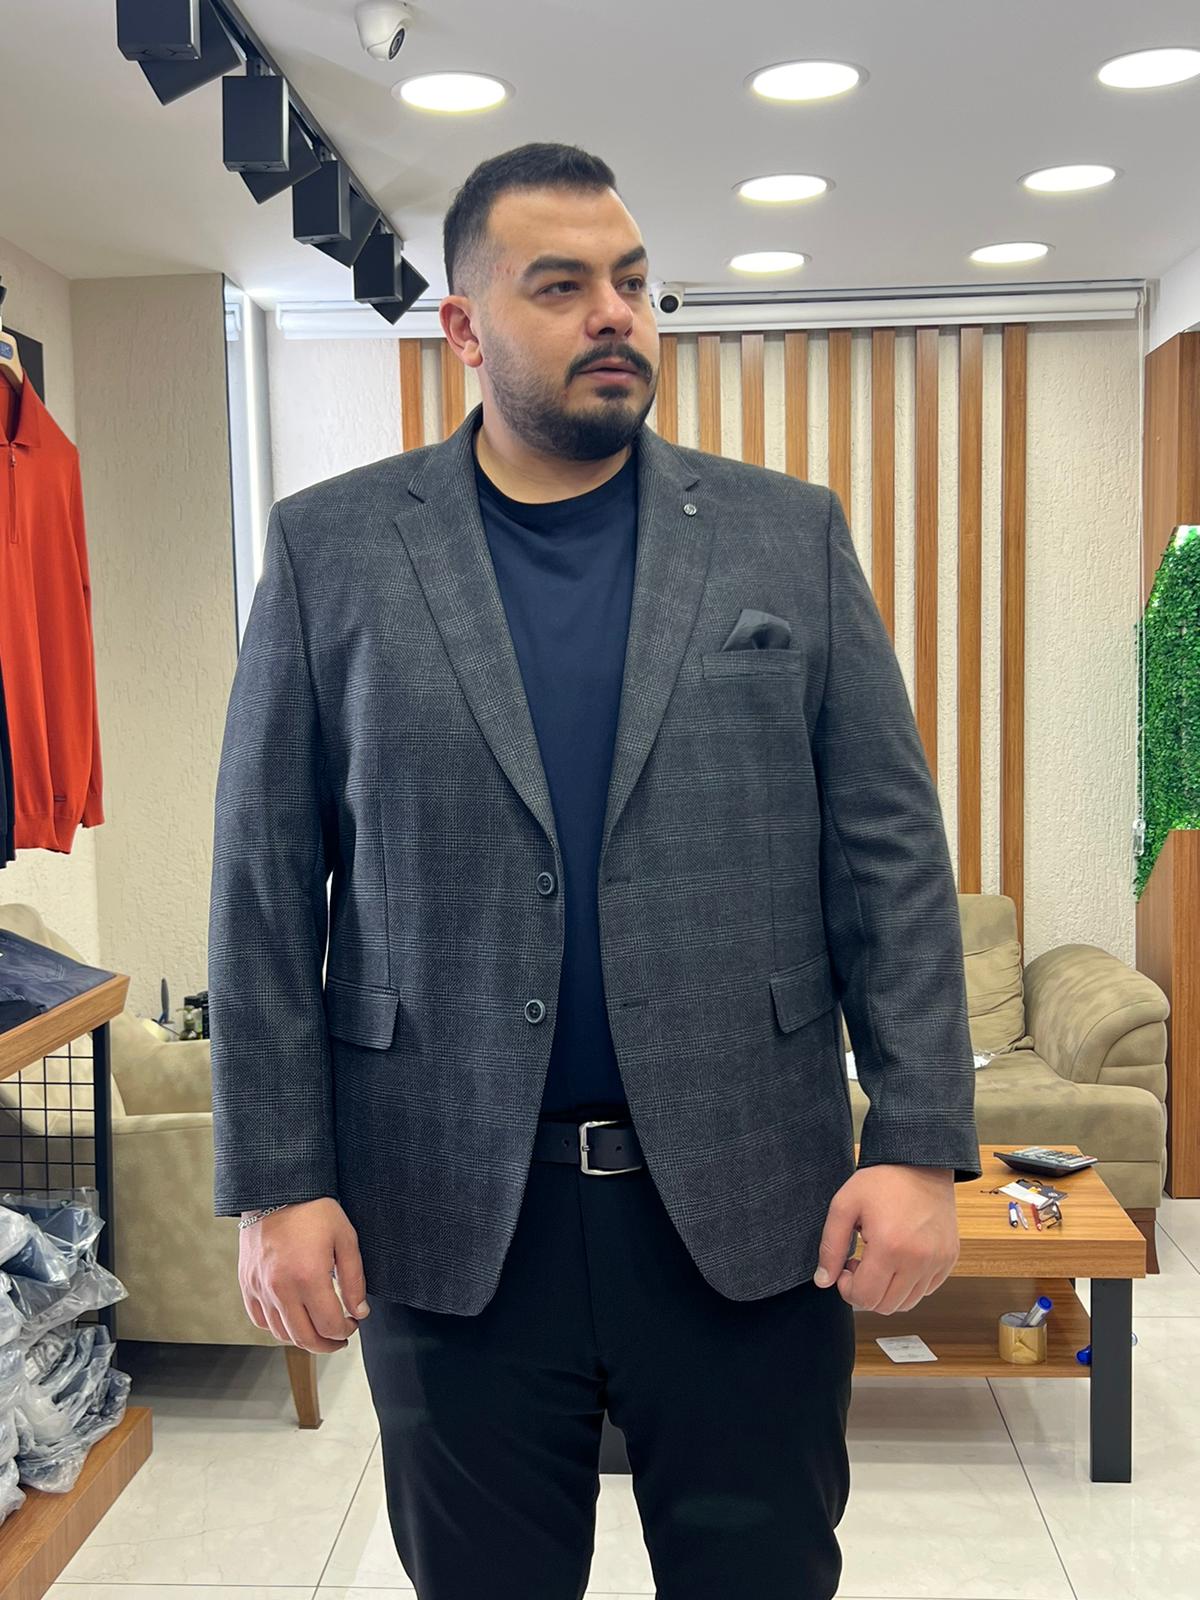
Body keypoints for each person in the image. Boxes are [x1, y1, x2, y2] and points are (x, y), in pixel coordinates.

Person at [209, 141, 982, 1600]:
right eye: (559, 286)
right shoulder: (334, 552)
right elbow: (261, 886)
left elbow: (888, 856)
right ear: (464, 325)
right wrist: (277, 1180)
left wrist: (920, 1138)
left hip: (751, 1203)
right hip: (449, 1208)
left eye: (630, 280)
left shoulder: (785, 537)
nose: (614, 312)